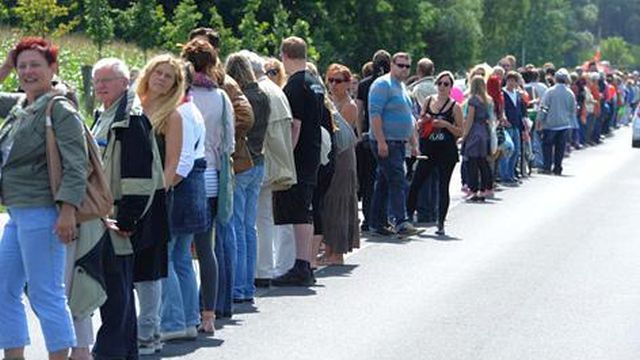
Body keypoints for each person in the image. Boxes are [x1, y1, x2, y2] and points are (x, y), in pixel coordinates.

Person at [0, 36, 85, 360]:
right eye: (22, 66)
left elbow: (77, 165)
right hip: (18, 211)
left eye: (35, 64)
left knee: (45, 293)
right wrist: (7, 64)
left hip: (43, 212)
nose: (27, 71)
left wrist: (67, 211)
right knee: (4, 289)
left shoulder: (58, 108)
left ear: (53, 68)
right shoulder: (22, 105)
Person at [90, 57, 166, 358]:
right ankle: (122, 350)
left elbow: (138, 177)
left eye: (107, 80)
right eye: (97, 80)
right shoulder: (105, 113)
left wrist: (127, 221)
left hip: (121, 219)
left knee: (117, 290)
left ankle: (112, 351)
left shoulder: (131, 118)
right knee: (115, 289)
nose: (100, 86)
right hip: (107, 216)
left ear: (125, 83)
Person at [189, 27, 254, 319]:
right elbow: (237, 126)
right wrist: (221, 145)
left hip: (193, 173)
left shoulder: (191, 91)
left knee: (184, 249)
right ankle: (212, 310)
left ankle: (198, 309)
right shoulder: (220, 91)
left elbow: (246, 116)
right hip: (216, 172)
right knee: (212, 245)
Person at [181, 37, 234, 327]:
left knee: (179, 251)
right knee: (206, 249)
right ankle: (209, 315)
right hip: (212, 177)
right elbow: (230, 143)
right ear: (213, 63)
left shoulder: (181, 95)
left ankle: (185, 313)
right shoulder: (221, 97)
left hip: (184, 177)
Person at [135, 54, 184, 346]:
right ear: (148, 73)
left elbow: (173, 164)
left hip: (154, 201)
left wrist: (155, 195)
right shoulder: (131, 105)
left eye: (169, 76)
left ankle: (148, 332)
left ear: (174, 85)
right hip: (124, 197)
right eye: (158, 72)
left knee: (149, 269)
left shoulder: (172, 116)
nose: (162, 78)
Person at [160, 62, 209, 343]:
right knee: (180, 257)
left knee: (166, 256)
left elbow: (183, 161)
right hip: (191, 187)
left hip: (180, 188)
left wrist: (163, 188)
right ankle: (189, 319)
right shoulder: (190, 108)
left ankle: (174, 320)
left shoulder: (180, 111)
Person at [239, 51, 297, 288]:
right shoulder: (276, 90)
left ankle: (256, 270)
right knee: (263, 218)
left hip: (262, 161)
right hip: (276, 160)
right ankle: (263, 268)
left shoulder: (260, 91)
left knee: (251, 219)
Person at [271, 37, 323, 286]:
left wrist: (285, 157)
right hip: (312, 153)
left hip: (299, 155)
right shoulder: (315, 83)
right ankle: (306, 262)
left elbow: (295, 126)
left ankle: (301, 264)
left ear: (284, 56)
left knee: (300, 211)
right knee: (306, 209)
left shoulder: (294, 86)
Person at [225, 52, 269, 303]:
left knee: (237, 227)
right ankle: (247, 284)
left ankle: (239, 285)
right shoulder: (262, 94)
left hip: (243, 162)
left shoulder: (242, 97)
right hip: (259, 161)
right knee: (248, 228)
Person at [368, 52, 420, 236]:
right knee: (397, 179)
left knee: (384, 181)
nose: (404, 69)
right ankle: (401, 221)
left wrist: (413, 143)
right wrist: (381, 141)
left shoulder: (402, 87)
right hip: (386, 141)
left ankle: (376, 222)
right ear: (392, 64)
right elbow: (375, 114)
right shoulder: (383, 84)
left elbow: (410, 117)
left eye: (407, 66)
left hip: (399, 142)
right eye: (400, 65)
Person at [407, 71, 463, 236]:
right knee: (417, 182)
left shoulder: (455, 106)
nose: (442, 87)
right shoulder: (428, 101)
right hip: (428, 148)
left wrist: (445, 124)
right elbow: (419, 123)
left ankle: (440, 222)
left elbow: (460, 131)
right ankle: (407, 217)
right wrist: (422, 121)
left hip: (446, 150)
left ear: (451, 87)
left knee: (442, 186)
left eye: (446, 84)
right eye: (440, 83)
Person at [320, 63, 360, 265]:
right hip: (329, 156)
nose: (333, 84)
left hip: (343, 157)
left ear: (348, 84)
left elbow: (339, 132)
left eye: (339, 81)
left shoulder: (349, 106)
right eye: (331, 80)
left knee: (339, 201)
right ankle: (327, 249)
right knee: (328, 203)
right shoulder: (329, 101)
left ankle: (338, 252)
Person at [356, 50, 390, 232]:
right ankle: (381, 218)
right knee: (384, 178)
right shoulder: (391, 84)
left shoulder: (364, 85)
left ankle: (368, 218)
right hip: (388, 135)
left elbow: (359, 112)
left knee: (369, 180)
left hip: (369, 136)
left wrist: (360, 133)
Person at [537, 69, 576, 175]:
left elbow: (544, 107)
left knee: (547, 146)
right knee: (560, 147)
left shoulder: (550, 91)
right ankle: (558, 168)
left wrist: (540, 120)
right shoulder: (570, 93)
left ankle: (547, 167)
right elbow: (573, 110)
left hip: (550, 124)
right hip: (564, 124)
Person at [463, 76, 493, 201]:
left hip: (474, 131)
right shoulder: (488, 100)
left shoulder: (473, 100)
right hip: (484, 131)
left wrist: (464, 135)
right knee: (483, 162)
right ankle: (486, 188)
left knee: (472, 162)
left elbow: (470, 119)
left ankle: (474, 190)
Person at [500, 71, 527, 185]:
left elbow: (520, 112)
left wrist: (523, 128)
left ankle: (511, 173)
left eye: (513, 80)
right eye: (509, 80)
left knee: (516, 151)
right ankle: (504, 175)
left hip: (516, 125)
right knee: (507, 151)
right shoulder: (503, 93)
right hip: (507, 126)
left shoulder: (517, 94)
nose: (511, 83)